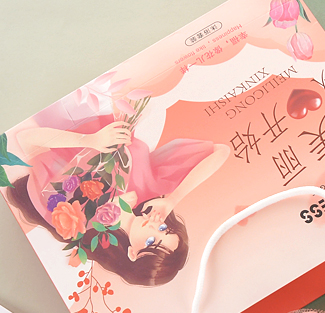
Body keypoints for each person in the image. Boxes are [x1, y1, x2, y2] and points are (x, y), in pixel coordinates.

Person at [6, 99, 229, 287]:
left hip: (57, 109)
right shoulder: (151, 189)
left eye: (151, 241)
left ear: (132, 253)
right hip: (102, 98)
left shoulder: (75, 219)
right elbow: (220, 152)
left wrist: (90, 141)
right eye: (164, 229)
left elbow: (27, 139)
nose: (155, 226)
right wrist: (173, 199)